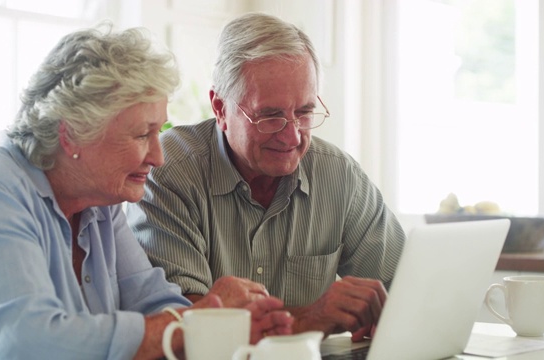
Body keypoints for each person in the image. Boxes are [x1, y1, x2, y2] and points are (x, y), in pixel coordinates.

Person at [0, 24, 293, 359]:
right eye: (141, 135)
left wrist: (225, 323)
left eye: (159, 131)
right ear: (71, 133)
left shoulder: (99, 205)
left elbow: (154, 303)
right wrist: (194, 322)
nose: (158, 157)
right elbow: (31, 344)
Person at [127, 12, 406, 341]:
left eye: (304, 112)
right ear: (219, 108)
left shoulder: (338, 175)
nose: (292, 137)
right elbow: (185, 326)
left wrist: (387, 315)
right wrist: (308, 319)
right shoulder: (169, 171)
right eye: (270, 116)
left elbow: (403, 288)